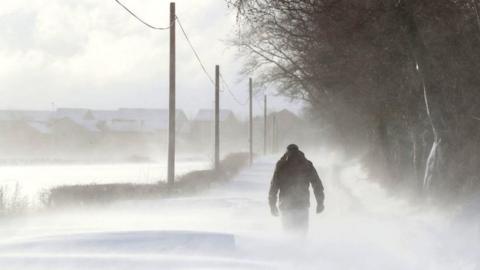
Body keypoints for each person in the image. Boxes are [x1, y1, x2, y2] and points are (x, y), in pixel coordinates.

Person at [269, 144, 325, 234]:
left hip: (286, 206)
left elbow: (274, 187)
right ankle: (301, 246)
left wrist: (272, 205)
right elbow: (317, 184)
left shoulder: (281, 165)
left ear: (287, 152)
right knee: (302, 234)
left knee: (288, 234)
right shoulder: (306, 164)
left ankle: (290, 247)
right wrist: (320, 202)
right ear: (298, 151)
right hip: (302, 205)